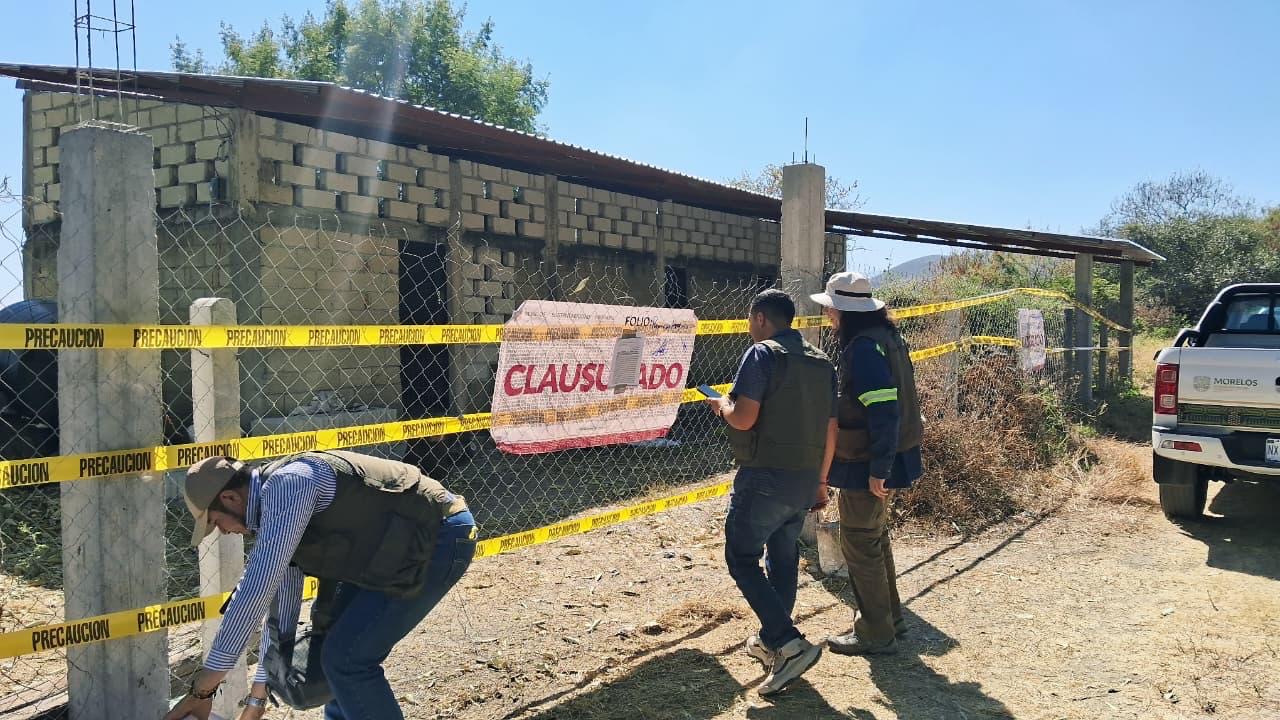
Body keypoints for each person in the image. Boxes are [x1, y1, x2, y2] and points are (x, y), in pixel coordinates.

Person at [162, 450, 476, 720]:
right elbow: (279, 617)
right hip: (392, 550)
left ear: (230, 498)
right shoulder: (275, 515)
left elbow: (254, 593)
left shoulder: (289, 485)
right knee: (332, 654)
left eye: (216, 522)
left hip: (441, 535)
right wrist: (256, 703)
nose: (224, 531)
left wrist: (202, 692)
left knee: (347, 660)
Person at [703, 288, 838, 695]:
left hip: (764, 478)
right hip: (803, 480)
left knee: (741, 557)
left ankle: (788, 643)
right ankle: (770, 640)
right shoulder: (821, 361)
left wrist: (721, 406)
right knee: (782, 555)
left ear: (760, 318)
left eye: (749, 320)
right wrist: (820, 480)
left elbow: (744, 419)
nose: (748, 328)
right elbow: (831, 428)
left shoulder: (761, 354)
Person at [810, 271, 924, 656]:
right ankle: (890, 619)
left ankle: (875, 632)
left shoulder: (861, 348)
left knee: (860, 542)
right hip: (885, 455)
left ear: (844, 312)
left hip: (868, 461)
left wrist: (879, 468)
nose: (828, 317)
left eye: (831, 310)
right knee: (874, 537)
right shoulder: (888, 339)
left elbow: (885, 410)